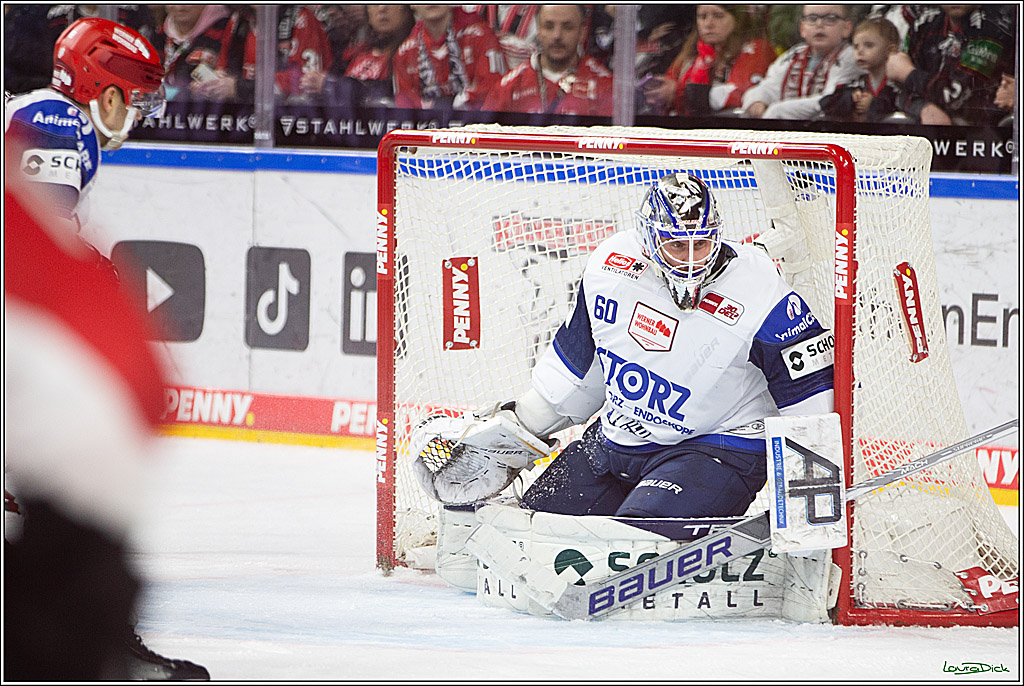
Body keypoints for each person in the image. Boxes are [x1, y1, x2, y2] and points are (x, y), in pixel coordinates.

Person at [419, 173, 835, 522]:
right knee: (529, 530)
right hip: (617, 441)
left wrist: (807, 515)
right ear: (650, 240)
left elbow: (810, 405)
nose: (690, 261)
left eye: (701, 245)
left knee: (634, 543)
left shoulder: (762, 292)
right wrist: (517, 433)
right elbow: (578, 377)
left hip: (718, 446)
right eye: (677, 245)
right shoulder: (610, 267)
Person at [4, 18, 209, 680]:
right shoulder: (59, 126)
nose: (140, 111)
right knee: (68, 476)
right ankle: (90, 636)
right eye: (136, 93)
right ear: (105, 90)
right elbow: (35, 255)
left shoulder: (46, 118)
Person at [884, 4, 1015, 126]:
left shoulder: (993, 29)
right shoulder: (924, 25)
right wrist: (923, 108)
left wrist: (908, 74)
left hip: (981, 134)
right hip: (928, 129)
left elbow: (955, 98)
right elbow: (899, 92)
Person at [642, 5, 773, 117]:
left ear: (737, 19)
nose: (708, 24)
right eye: (702, 16)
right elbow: (670, 83)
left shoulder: (755, 48)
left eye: (718, 16)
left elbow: (738, 95)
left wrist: (679, 94)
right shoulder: (691, 54)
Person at [482, 5, 613, 117]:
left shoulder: (605, 86)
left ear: (582, 33)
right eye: (549, 26)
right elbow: (486, 141)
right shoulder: (508, 88)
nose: (557, 36)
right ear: (538, 30)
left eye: (567, 27)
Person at [742, 4, 861, 120]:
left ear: (847, 28)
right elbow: (769, 85)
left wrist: (778, 111)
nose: (819, 25)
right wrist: (757, 100)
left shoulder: (851, 56)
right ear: (802, 28)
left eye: (830, 19)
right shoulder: (794, 54)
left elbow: (830, 100)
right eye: (812, 19)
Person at [392, 5, 506, 110]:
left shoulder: (480, 36)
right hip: (428, 129)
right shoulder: (405, 53)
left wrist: (444, 105)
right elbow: (405, 109)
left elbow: (492, 93)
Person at [301, 4, 415, 107]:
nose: (382, 7)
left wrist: (335, 86)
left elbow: (391, 98)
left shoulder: (413, 54)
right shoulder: (354, 53)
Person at [155, 4, 250, 103]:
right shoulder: (156, 33)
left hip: (221, 110)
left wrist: (235, 86)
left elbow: (242, 80)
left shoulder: (232, 29)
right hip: (170, 112)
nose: (180, 6)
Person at [820, 16, 903, 122]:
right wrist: (850, 98)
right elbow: (825, 103)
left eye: (869, 45)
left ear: (891, 50)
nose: (860, 51)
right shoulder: (857, 83)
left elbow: (899, 104)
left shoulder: (897, 85)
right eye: (856, 46)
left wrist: (873, 104)